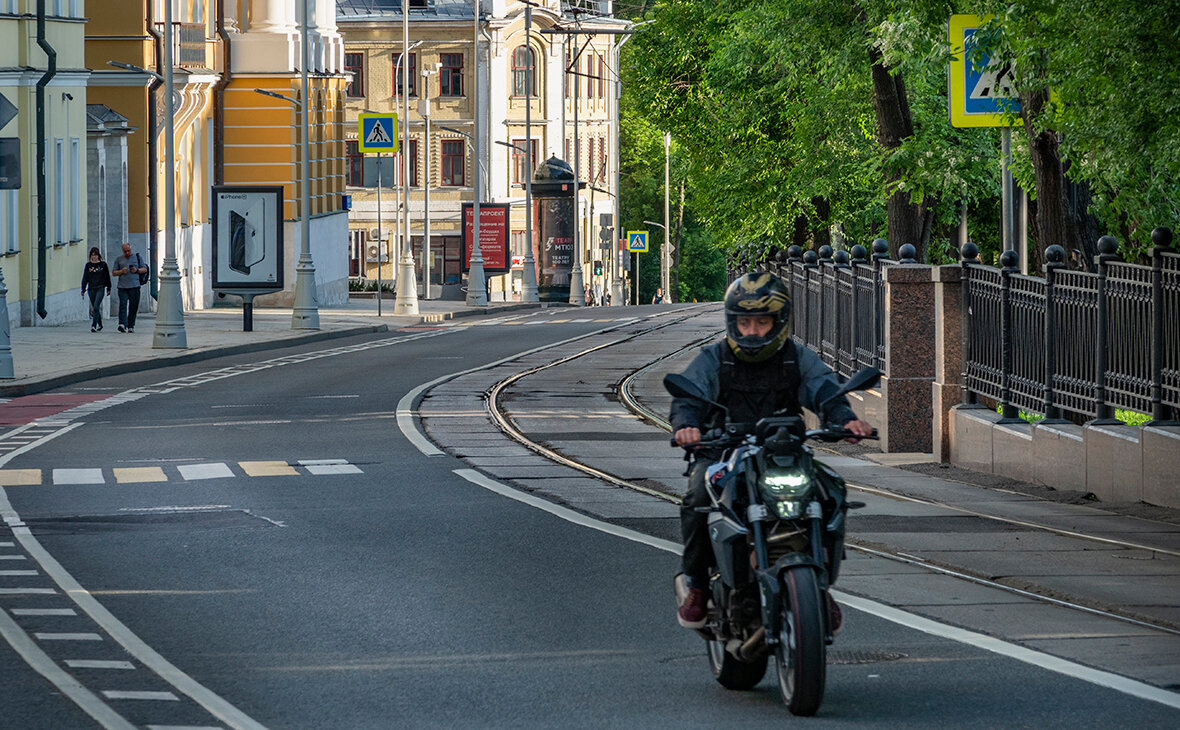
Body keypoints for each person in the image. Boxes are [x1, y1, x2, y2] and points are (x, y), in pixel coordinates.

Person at [669, 271, 873, 630]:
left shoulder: (797, 357)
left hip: (783, 450)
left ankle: (818, 585)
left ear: (778, 322)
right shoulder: (714, 358)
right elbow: (689, 394)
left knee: (829, 489)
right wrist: (687, 425)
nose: (752, 331)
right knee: (699, 491)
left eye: (761, 322)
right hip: (723, 452)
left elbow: (824, 389)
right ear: (733, 323)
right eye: (744, 322)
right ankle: (698, 584)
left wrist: (844, 418)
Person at [111, 242, 148, 333]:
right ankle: (122, 324)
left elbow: (145, 269)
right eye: (125, 251)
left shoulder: (137, 257)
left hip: (135, 286)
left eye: (128, 251)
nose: (127, 253)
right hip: (122, 287)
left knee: (133, 306)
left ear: (131, 249)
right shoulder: (119, 259)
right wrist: (121, 271)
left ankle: (131, 325)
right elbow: (114, 272)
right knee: (123, 305)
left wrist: (136, 270)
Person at [80, 247, 111, 332]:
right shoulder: (88, 265)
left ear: (98, 255)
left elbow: (107, 276)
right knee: (95, 307)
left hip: (100, 287)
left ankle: (93, 325)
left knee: (96, 306)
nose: (94, 257)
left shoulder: (103, 265)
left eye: (95, 255)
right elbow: (85, 277)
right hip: (91, 288)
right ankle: (100, 324)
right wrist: (83, 289)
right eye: (92, 255)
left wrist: (109, 288)